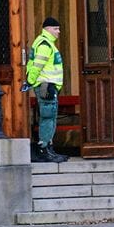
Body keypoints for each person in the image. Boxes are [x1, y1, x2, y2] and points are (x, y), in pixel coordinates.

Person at [25, 17, 67, 163]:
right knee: (48, 117)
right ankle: (44, 149)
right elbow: (37, 66)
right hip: (45, 85)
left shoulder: (47, 43)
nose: (59, 31)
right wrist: (30, 81)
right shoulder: (45, 44)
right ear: (47, 29)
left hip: (48, 85)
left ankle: (48, 148)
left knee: (50, 117)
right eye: (56, 29)